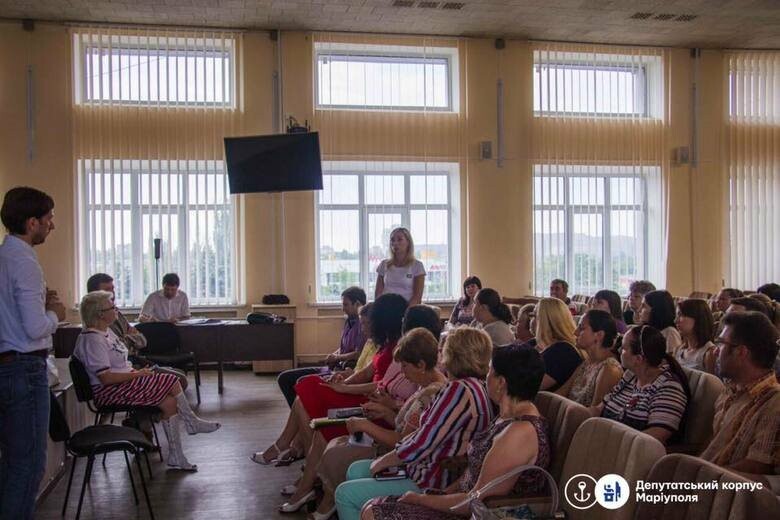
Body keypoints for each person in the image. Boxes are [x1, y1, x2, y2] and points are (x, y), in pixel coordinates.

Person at [362, 344, 550, 520]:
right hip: (460, 502)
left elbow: (477, 501)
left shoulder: (520, 433)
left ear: (501, 382)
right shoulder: (508, 417)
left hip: (475, 513)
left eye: (490, 372)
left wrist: (421, 499)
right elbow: (472, 475)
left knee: (373, 512)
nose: (486, 377)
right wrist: (442, 494)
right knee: (373, 506)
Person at [335, 327, 494, 520]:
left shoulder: (458, 391)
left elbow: (424, 441)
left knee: (345, 495)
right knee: (355, 470)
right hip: (427, 468)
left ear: (452, 356)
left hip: (431, 479)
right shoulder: (474, 386)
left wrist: (386, 460)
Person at [252, 294, 411, 466]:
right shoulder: (385, 343)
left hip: (370, 401)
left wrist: (344, 388)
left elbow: (381, 385)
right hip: (362, 393)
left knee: (306, 392)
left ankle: (298, 455)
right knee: (306, 390)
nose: (369, 324)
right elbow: (365, 373)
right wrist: (342, 383)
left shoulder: (399, 347)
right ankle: (305, 457)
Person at [308, 327, 447, 520]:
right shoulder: (426, 387)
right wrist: (385, 412)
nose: (403, 372)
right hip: (411, 462)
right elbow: (409, 430)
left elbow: (403, 441)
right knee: (351, 466)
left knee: (343, 487)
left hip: (417, 471)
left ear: (421, 365)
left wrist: (365, 425)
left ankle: (336, 502)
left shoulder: (431, 394)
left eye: (405, 366)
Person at [73, 291, 220, 471]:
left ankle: (176, 456)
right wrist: (137, 375)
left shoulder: (106, 331)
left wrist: (136, 373)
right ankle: (191, 422)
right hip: (109, 391)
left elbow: (125, 359)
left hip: (124, 382)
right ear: (99, 314)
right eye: (112, 307)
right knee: (171, 380)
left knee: (169, 403)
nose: (116, 310)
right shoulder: (92, 340)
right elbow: (105, 377)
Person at [0, 187, 65, 519]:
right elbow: (35, 328)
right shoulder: (25, 261)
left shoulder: (4, 256)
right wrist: (55, 313)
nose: (52, 225)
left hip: (8, 366)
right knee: (27, 467)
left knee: (12, 464)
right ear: (32, 222)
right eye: (48, 218)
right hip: (24, 370)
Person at [700, 312, 779, 485]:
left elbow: (756, 466)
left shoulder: (774, 402)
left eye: (721, 343)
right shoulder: (730, 390)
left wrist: (700, 477)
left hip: (727, 490)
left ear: (741, 352)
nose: (715, 351)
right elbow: (714, 445)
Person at [86, 272, 188, 389]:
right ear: (94, 295)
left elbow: (141, 340)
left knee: (179, 377)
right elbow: (120, 346)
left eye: (113, 289)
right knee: (178, 381)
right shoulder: (95, 326)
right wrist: (129, 338)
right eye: (107, 290)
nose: (112, 293)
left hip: (134, 360)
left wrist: (127, 339)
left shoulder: (116, 312)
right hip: (125, 368)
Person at [592, 325, 690, 445]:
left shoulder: (669, 388)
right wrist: (577, 415)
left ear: (638, 359)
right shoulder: (630, 376)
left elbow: (656, 436)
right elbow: (599, 409)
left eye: (623, 348)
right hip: (604, 442)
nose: (619, 350)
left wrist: (609, 440)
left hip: (630, 452)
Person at [277, 287, 367, 407]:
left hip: (342, 370)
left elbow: (358, 353)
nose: (343, 309)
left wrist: (337, 358)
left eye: (346, 305)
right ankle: (300, 413)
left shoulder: (364, 326)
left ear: (358, 304)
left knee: (302, 382)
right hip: (333, 366)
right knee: (284, 378)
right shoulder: (348, 321)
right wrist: (334, 355)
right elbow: (343, 347)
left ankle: (305, 412)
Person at [567, 310, 623, 406]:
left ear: (599, 335)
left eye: (581, 328)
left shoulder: (610, 370)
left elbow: (594, 412)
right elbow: (562, 392)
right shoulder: (588, 362)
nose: (575, 332)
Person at [533, 297, 584, 392]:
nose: (531, 320)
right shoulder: (536, 342)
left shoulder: (563, 351)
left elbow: (528, 387)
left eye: (534, 316)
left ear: (544, 321)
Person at [375, 227, 425, 306]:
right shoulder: (384, 264)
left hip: (407, 308)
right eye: (392, 240)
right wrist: (379, 309)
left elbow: (417, 297)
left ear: (408, 242)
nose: (395, 243)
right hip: (385, 307)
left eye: (399, 239)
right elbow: (378, 293)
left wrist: (406, 311)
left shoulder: (417, 266)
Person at [674, 299, 716, 373]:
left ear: (698, 318)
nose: (676, 321)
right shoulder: (678, 350)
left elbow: (712, 380)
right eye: (677, 315)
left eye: (681, 315)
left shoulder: (709, 353)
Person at [636, 290, 683, 354]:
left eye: (644, 306)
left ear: (656, 309)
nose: (639, 310)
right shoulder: (646, 329)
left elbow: (672, 359)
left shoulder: (670, 333)